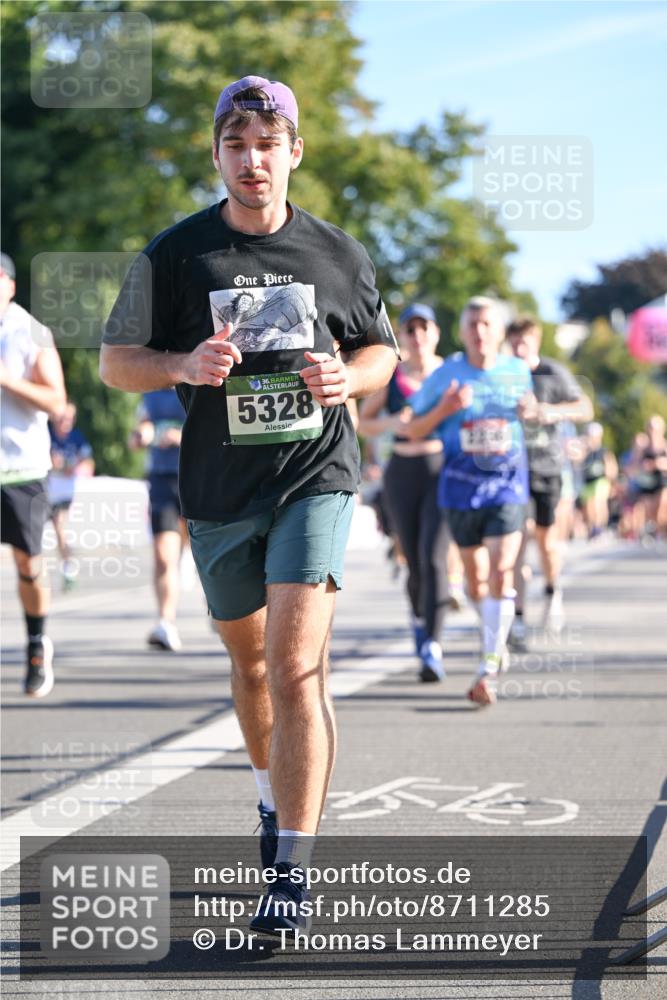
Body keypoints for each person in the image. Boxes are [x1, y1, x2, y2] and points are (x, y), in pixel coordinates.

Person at [99, 76, 398, 933]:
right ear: (218, 154)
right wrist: (181, 366)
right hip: (219, 490)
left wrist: (352, 377)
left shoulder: (339, 254)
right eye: (237, 145)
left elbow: (378, 352)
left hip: (314, 476)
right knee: (250, 662)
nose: (253, 160)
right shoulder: (174, 255)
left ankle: (292, 874)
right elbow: (118, 361)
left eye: (269, 145)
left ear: (294, 151)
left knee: (295, 664)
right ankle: (270, 801)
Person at [400, 296, 534, 707]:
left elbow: (530, 413)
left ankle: (487, 666)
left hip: (508, 486)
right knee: (476, 582)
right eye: (472, 324)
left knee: (500, 572)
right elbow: (413, 430)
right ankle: (494, 633)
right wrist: (444, 409)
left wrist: (531, 412)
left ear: (499, 331)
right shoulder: (447, 375)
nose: (479, 332)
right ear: (461, 331)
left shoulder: (517, 372)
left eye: (487, 324)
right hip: (460, 489)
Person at [358, 302, 451, 682]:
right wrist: (392, 421)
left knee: (434, 559)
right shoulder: (392, 376)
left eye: (424, 328)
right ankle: (418, 619)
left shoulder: (449, 374)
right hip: (401, 471)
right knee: (413, 561)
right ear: (403, 336)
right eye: (410, 330)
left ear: (436, 333)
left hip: (440, 470)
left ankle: (432, 644)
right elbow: (363, 422)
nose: (417, 336)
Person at [0, 252, 66, 696]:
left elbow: (57, 401)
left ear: (9, 285)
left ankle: (38, 643)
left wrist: (7, 381)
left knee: (28, 564)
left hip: (20, 467)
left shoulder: (30, 331)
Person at [506, 317, 592, 645]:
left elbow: (585, 407)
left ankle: (553, 593)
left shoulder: (552, 373)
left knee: (545, 542)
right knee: (517, 541)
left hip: (547, 468)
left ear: (536, 342)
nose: (517, 348)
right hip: (512, 471)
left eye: (523, 342)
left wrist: (549, 412)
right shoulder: (503, 374)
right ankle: (517, 617)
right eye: (513, 343)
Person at [129, 389, 188, 651]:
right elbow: (136, 435)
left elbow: (216, 432)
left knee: (201, 551)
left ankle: (222, 610)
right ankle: (166, 621)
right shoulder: (150, 393)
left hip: (196, 479)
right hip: (161, 480)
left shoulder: (196, 382)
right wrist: (141, 436)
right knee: (164, 556)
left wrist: (181, 436)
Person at [48, 401, 95, 590]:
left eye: (69, 418)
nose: (65, 422)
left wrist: (74, 467)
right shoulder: (46, 435)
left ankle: (68, 568)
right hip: (44, 490)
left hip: (65, 491)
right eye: (61, 418)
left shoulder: (77, 438)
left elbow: (87, 462)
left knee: (59, 526)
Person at [579, 422, 618, 538]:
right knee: (588, 507)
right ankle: (592, 528)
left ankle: (599, 527)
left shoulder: (604, 451)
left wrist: (612, 482)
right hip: (587, 482)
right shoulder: (585, 451)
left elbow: (612, 466)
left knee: (598, 503)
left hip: (601, 481)